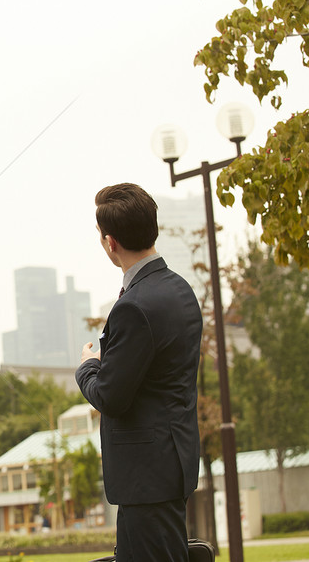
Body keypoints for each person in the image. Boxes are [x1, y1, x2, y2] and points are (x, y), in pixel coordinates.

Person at [75, 183, 202, 562]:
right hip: (171, 465)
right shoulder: (181, 290)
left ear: (110, 242)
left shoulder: (134, 306)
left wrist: (88, 367)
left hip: (144, 477)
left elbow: (111, 396)